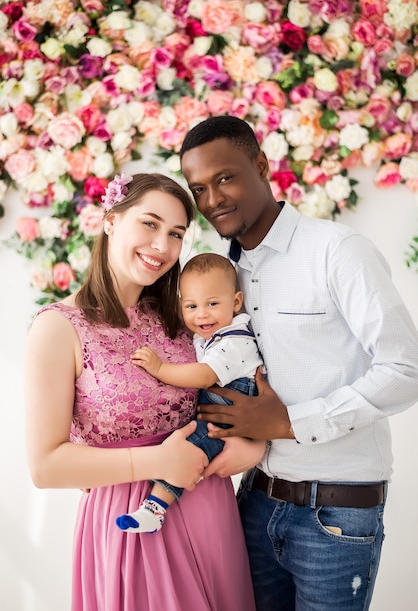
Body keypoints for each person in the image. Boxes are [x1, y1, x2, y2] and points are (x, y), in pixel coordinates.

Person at [178, 115, 418, 611]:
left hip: (335, 514)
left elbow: (406, 369)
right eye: (199, 188)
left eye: (225, 178)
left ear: (261, 166)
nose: (213, 200)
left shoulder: (337, 251)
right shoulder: (222, 275)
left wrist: (290, 422)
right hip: (252, 500)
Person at [24, 172, 261, 611]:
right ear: (111, 220)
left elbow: (245, 374)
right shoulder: (58, 327)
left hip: (209, 508)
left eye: (175, 234)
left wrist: (254, 444)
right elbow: (45, 466)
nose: (162, 246)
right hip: (131, 522)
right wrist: (156, 460)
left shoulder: (184, 315)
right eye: (150, 224)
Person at [115, 252, 263, 533]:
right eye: (191, 305)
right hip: (215, 410)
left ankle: (155, 509)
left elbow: (204, 375)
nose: (201, 314)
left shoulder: (235, 341)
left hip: (227, 419)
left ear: (236, 302)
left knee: (189, 451)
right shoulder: (208, 336)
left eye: (212, 304)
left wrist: (159, 368)